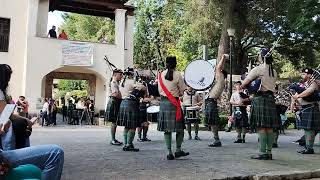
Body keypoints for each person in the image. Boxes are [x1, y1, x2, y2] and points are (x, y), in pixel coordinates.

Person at [0, 64, 64, 180]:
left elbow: (7, 115)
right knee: (56, 153)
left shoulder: (5, 94)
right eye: (8, 77)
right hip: (4, 153)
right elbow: (6, 115)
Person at [241, 48, 278, 160]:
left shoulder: (258, 69)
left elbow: (244, 84)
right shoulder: (274, 71)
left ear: (262, 57)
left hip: (260, 99)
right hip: (271, 99)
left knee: (261, 127)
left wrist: (249, 82)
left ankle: (262, 153)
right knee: (269, 127)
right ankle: (269, 152)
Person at [158, 56, 189, 160]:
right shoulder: (178, 75)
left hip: (163, 104)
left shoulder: (161, 75)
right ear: (175, 64)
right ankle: (178, 150)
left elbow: (159, 90)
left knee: (167, 130)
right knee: (180, 129)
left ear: (166, 63)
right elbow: (182, 91)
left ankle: (169, 152)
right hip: (174, 104)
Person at [291, 68, 320, 154]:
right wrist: (293, 102)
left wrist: (298, 96)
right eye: (302, 74)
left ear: (310, 75)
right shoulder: (304, 84)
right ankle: (308, 147)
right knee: (308, 129)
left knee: (310, 129)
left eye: (304, 74)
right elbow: (295, 95)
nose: (302, 75)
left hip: (311, 107)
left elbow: (309, 92)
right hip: (305, 108)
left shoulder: (313, 83)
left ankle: (309, 148)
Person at [117, 68, 146, 151]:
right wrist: (141, 83)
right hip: (131, 104)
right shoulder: (131, 81)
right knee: (133, 126)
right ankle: (129, 145)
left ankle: (126, 144)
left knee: (126, 126)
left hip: (123, 103)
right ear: (131, 74)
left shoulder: (121, 83)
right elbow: (143, 88)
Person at [204, 54, 228, 147]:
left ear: (221, 74)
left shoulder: (221, 79)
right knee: (212, 123)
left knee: (213, 123)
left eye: (218, 72)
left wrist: (223, 58)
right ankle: (216, 139)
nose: (216, 73)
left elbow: (218, 67)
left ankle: (217, 140)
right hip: (211, 101)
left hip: (211, 102)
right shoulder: (220, 81)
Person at [105, 69, 123, 145]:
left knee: (114, 122)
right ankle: (113, 139)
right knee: (114, 122)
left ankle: (113, 139)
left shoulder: (116, 82)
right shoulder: (114, 82)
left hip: (115, 101)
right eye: (120, 75)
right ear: (115, 75)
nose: (121, 76)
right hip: (114, 101)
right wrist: (123, 96)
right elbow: (116, 94)